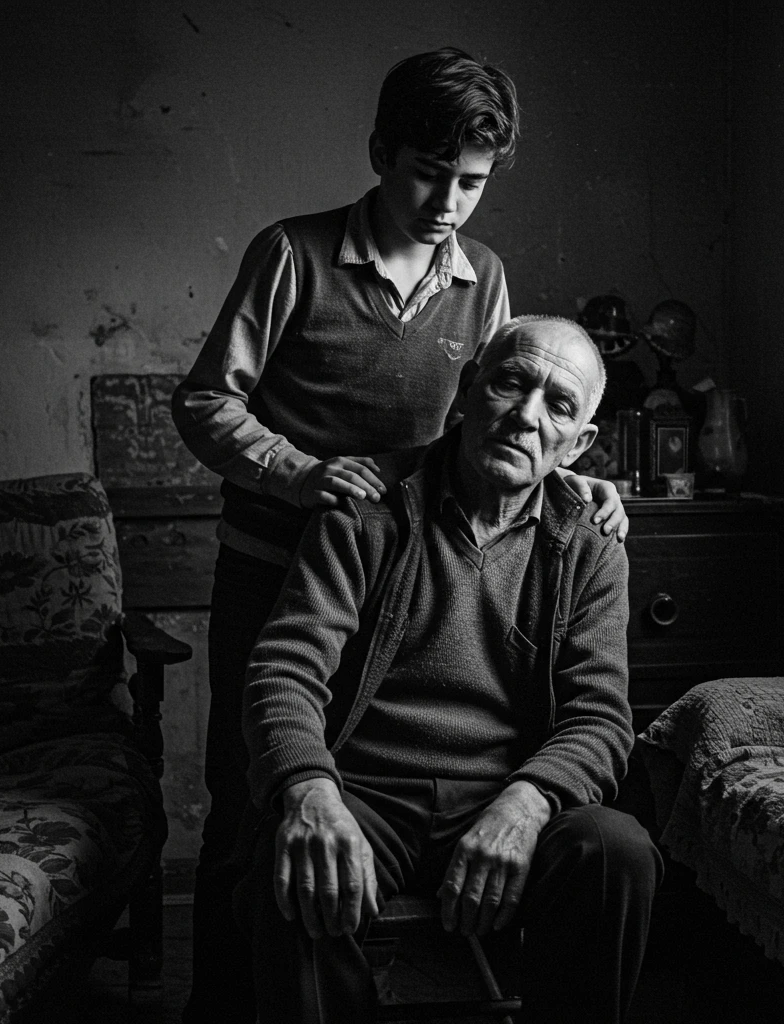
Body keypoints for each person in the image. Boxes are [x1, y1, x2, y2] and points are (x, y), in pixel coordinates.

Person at [171, 48, 629, 1023]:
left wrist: (576, 484)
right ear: (382, 153)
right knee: (254, 810)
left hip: (410, 562)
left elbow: (512, 394)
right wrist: (303, 475)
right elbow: (207, 398)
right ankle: (223, 1007)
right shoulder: (293, 254)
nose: (447, 203)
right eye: (428, 173)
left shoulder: (483, 274)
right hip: (290, 557)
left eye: (470, 182)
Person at [236, 315, 661, 1024]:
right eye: (510, 383)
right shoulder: (366, 509)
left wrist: (526, 805)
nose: (525, 417)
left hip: (502, 793)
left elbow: (601, 719)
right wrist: (310, 793)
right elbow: (286, 666)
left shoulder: (589, 545)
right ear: (469, 389)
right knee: (292, 870)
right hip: (367, 794)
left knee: (616, 851)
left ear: (580, 443)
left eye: (558, 406)